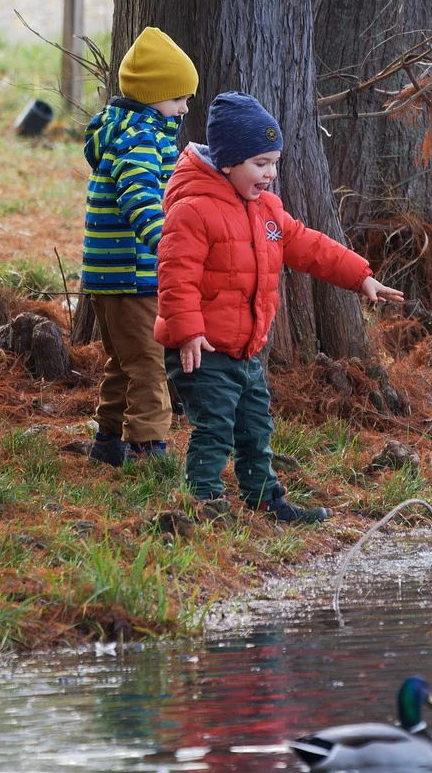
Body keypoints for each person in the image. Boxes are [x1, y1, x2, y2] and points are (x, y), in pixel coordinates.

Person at [155, 92, 404, 523]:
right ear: (229, 162)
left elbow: (308, 245)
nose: (270, 173)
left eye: (274, 162)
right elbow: (176, 276)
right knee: (214, 428)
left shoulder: (266, 209)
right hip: (202, 350)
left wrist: (361, 276)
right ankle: (203, 504)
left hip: (247, 349)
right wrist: (188, 331)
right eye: (260, 163)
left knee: (255, 427)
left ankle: (265, 501)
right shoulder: (192, 210)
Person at [81, 27, 198, 467]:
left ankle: (108, 441)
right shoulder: (142, 140)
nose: (184, 108)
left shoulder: (119, 132)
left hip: (106, 276)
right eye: (177, 99)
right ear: (152, 98)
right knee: (149, 364)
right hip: (135, 273)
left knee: (122, 362)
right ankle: (149, 450)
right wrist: (166, 241)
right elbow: (139, 196)